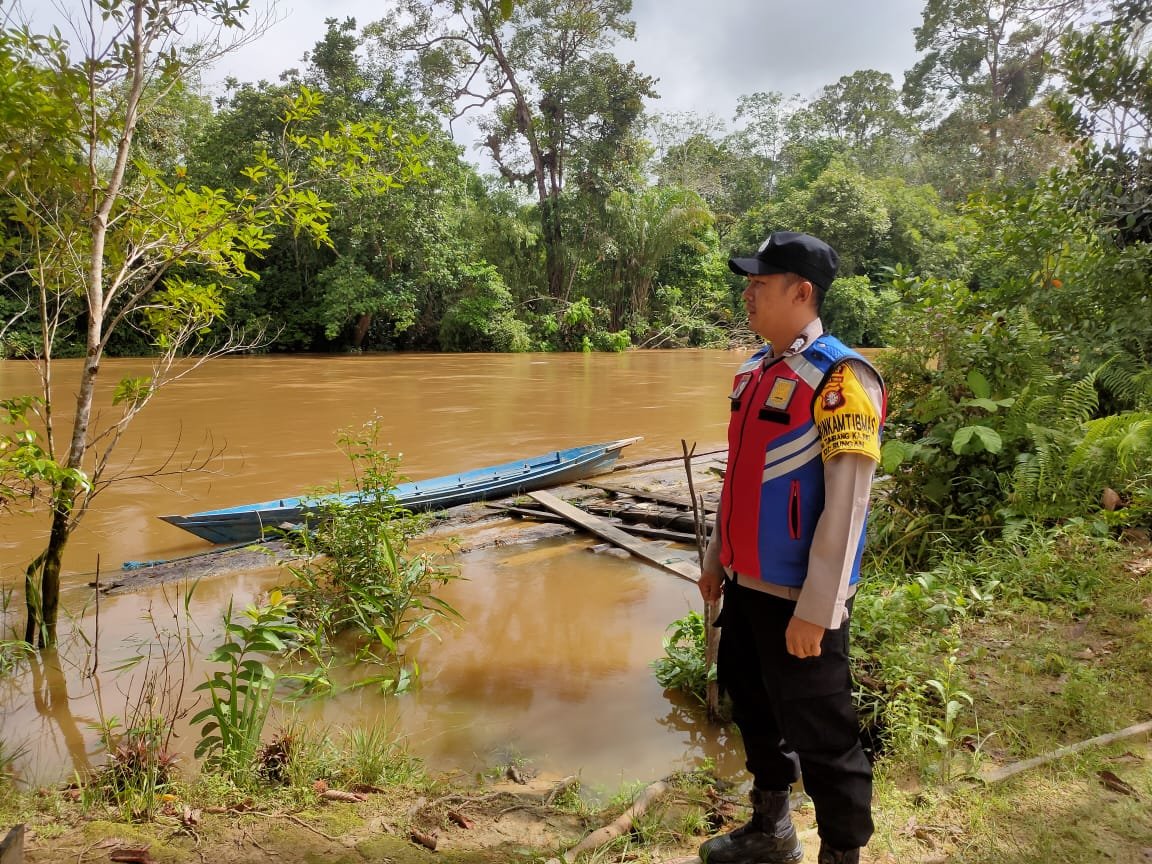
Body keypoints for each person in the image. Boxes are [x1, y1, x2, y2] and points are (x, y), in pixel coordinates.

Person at [697, 231, 886, 864]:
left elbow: (849, 501)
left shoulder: (840, 376)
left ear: (801, 292)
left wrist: (818, 605)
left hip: (799, 598)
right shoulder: (755, 371)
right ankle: (770, 830)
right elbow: (740, 472)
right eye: (747, 283)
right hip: (747, 586)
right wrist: (716, 556)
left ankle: (842, 854)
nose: (747, 294)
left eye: (760, 284)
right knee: (752, 705)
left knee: (824, 732)